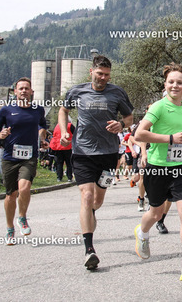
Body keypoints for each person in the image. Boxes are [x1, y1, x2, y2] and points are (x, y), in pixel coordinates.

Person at [58, 55, 134, 270]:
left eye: (107, 75)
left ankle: (90, 214)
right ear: (91, 72)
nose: (103, 78)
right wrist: (64, 131)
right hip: (82, 152)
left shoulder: (117, 92)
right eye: (100, 74)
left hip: (108, 154)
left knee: (97, 201)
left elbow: (129, 118)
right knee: (87, 196)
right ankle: (89, 250)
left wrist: (121, 125)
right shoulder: (77, 91)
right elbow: (63, 110)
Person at [132, 63, 182, 281]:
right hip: (157, 167)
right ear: (165, 84)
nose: (175, 85)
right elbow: (139, 134)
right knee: (156, 213)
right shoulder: (158, 107)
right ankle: (142, 233)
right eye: (171, 82)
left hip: (181, 167)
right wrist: (170, 139)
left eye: (179, 82)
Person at [0, 77, 47, 244]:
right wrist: (0, 135)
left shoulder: (38, 110)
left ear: (31, 92)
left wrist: (42, 136)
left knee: (25, 187)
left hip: (29, 156)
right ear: (15, 91)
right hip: (10, 157)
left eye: (26, 88)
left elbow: (42, 125)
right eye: (20, 88)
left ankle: (22, 217)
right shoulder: (6, 110)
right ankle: (10, 228)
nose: (23, 91)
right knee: (11, 194)